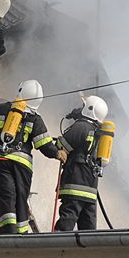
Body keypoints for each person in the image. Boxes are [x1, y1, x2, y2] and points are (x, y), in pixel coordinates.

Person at [0, 80, 66, 234]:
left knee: (6, 195)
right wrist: (57, 153)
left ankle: (7, 232)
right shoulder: (35, 119)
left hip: (1, 160)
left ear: (20, 91)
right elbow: (44, 144)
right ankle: (21, 233)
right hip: (22, 165)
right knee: (21, 198)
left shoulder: (1, 109)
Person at [54, 95, 109, 231]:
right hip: (91, 190)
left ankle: (56, 249)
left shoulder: (81, 126)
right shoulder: (100, 133)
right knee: (88, 228)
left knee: (67, 221)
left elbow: (61, 145)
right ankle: (87, 252)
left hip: (74, 184)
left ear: (89, 109)